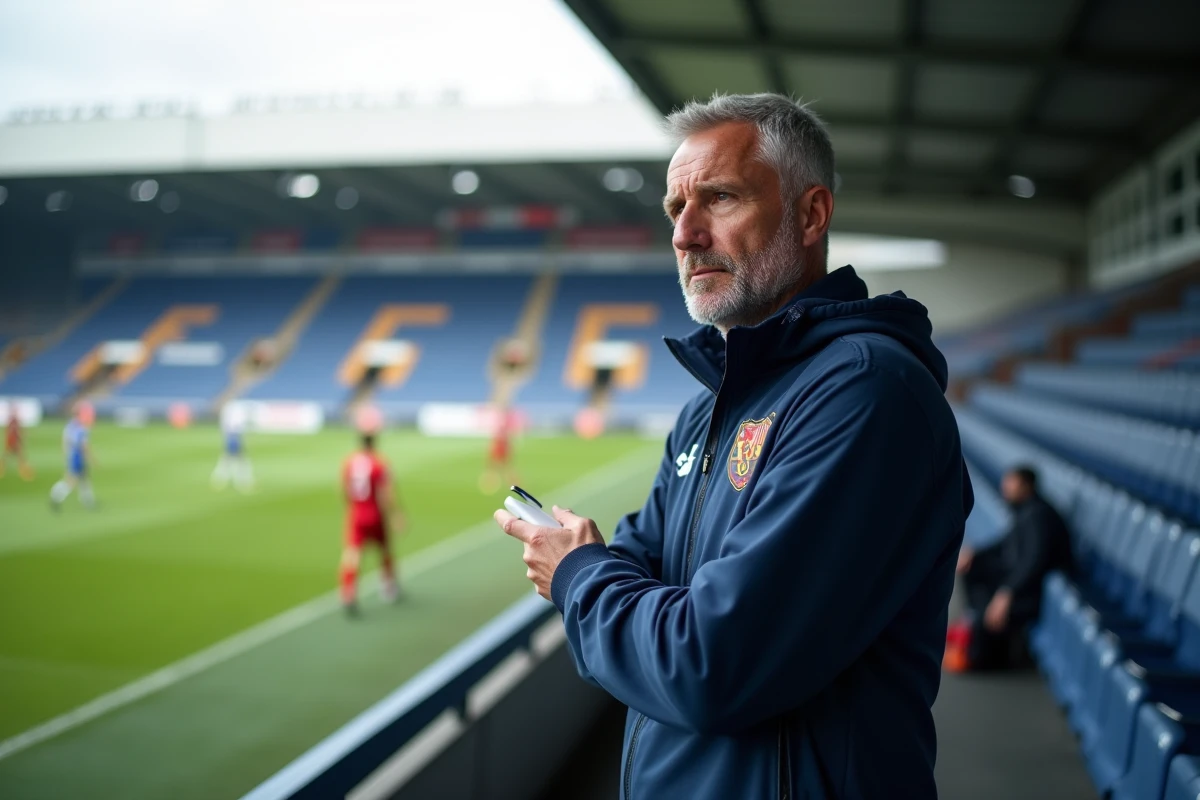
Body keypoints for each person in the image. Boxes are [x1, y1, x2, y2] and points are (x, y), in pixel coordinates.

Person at [494, 93, 972, 798]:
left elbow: (709, 668)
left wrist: (578, 577)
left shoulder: (865, 393)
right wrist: (609, 576)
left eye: (718, 198)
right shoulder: (708, 408)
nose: (685, 235)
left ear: (811, 214)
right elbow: (640, 558)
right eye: (673, 211)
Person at [957, 465, 1073, 668]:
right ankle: (978, 619)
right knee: (973, 567)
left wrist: (1007, 592)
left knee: (990, 607)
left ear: (1026, 486)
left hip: (1033, 590)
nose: (1005, 488)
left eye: (1011, 483)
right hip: (1020, 579)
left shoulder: (1038, 515)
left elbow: (1034, 561)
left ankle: (989, 653)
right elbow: (1005, 542)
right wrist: (974, 553)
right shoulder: (1026, 510)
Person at [340, 433, 404, 615]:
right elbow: (386, 492)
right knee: (384, 549)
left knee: (352, 552)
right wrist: (395, 514)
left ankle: (349, 592)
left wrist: (350, 507)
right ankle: (389, 587)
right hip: (375, 513)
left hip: (357, 513)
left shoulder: (349, 461)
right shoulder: (379, 463)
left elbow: (343, 488)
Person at [50, 407, 96, 510]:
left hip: (72, 456)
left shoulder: (69, 426)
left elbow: (65, 442)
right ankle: (56, 496)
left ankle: (88, 502)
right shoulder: (80, 428)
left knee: (84, 480)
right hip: (77, 457)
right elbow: (83, 445)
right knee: (71, 481)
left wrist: (66, 454)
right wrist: (91, 458)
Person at [211, 418, 254, 493]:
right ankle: (242, 482)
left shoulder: (231, 432)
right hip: (234, 449)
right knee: (236, 465)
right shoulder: (234, 433)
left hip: (232, 448)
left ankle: (219, 481)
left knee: (226, 465)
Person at [1, 412, 34, 480]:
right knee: (21, 458)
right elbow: (16, 434)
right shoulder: (14, 424)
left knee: (8, 458)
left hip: (12, 443)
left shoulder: (12, 423)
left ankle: (24, 473)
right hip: (14, 443)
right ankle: (25, 473)